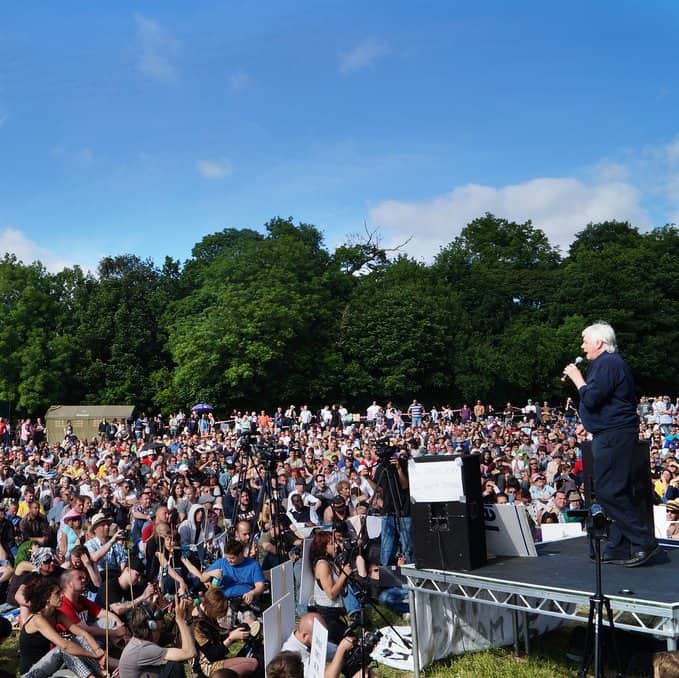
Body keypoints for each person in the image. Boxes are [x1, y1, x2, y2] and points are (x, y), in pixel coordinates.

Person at [563, 322, 660, 567]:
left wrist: (577, 379)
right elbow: (607, 401)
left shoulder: (607, 363)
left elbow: (593, 397)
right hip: (611, 432)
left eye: (585, 341)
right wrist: (590, 421)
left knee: (608, 491)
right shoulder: (608, 364)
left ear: (599, 342)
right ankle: (621, 545)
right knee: (617, 490)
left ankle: (643, 541)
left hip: (614, 435)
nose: (582, 346)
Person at [19, 576, 106, 678]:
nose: (62, 596)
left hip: (50, 664)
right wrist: (93, 655)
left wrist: (98, 651)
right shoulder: (37, 619)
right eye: (57, 593)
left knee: (78, 639)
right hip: (32, 673)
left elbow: (83, 633)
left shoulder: (57, 614)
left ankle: (101, 672)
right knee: (63, 648)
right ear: (46, 598)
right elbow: (65, 645)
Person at [118, 597, 197, 678]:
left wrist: (188, 613)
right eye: (158, 615)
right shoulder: (143, 649)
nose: (162, 617)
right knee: (175, 668)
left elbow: (182, 641)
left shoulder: (143, 640)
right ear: (152, 624)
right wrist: (180, 619)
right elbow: (190, 653)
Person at [192, 586, 259, 677]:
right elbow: (212, 655)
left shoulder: (207, 615)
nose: (221, 615)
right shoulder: (197, 625)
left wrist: (235, 632)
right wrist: (231, 638)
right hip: (206, 667)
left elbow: (218, 638)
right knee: (253, 663)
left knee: (252, 657)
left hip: (216, 660)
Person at [279, 612, 356, 678]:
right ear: (305, 636)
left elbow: (334, 651)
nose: (323, 640)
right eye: (319, 638)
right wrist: (341, 649)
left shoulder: (309, 639)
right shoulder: (291, 655)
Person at [308, 531, 351, 644]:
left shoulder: (330, 561)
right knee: (350, 641)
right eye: (332, 543)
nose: (336, 545)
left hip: (335, 612)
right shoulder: (322, 565)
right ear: (323, 547)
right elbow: (331, 594)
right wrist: (344, 574)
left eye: (335, 542)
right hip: (327, 614)